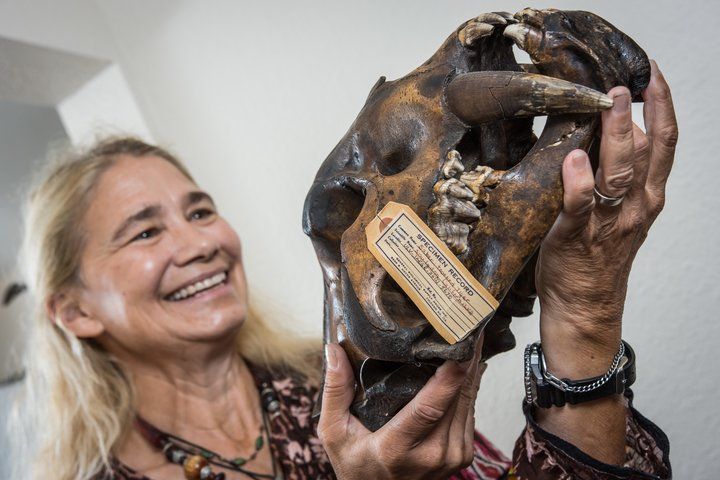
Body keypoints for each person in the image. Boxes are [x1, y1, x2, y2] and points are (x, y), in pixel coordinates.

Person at [12, 59, 676, 480]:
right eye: (146, 231)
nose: (200, 243)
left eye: (201, 211)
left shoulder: (343, 380)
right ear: (75, 309)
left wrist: (584, 315)